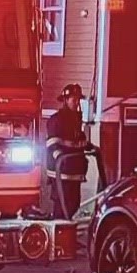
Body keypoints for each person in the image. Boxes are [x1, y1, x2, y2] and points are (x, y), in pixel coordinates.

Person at [40, 84, 93, 220]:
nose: (76, 103)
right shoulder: (56, 120)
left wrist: (89, 147)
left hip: (74, 173)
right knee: (62, 208)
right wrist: (59, 156)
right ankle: (58, 236)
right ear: (65, 100)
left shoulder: (76, 121)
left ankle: (66, 234)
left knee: (73, 206)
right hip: (61, 174)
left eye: (78, 100)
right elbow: (52, 143)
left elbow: (78, 141)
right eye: (73, 99)